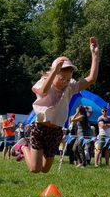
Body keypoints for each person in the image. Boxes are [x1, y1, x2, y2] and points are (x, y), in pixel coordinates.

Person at [21, 37, 100, 173]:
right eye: (62, 78)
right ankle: (22, 147)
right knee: (35, 169)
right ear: (53, 73)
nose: (65, 82)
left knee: (45, 169)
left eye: (68, 79)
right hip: (40, 128)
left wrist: (95, 55)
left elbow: (91, 79)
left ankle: (27, 150)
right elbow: (44, 91)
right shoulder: (44, 82)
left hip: (56, 131)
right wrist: (53, 72)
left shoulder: (70, 87)